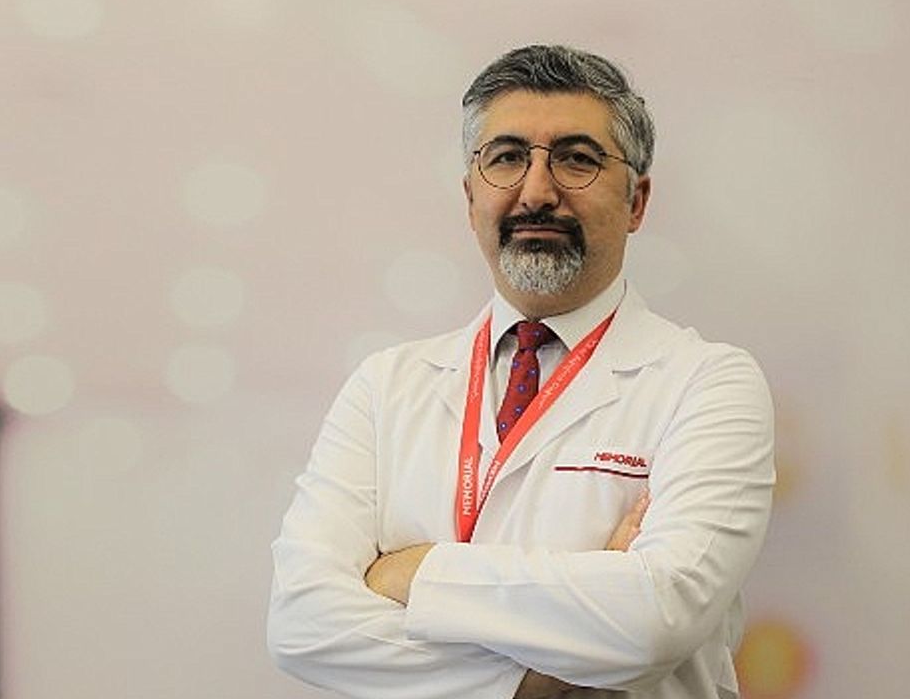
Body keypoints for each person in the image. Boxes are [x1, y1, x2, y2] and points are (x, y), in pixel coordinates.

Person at [268, 45, 775, 699]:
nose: (537, 192)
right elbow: (302, 625)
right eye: (507, 158)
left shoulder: (709, 385)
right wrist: (535, 680)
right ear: (470, 195)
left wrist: (412, 573)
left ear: (637, 201)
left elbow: (657, 618)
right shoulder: (385, 387)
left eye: (577, 158)